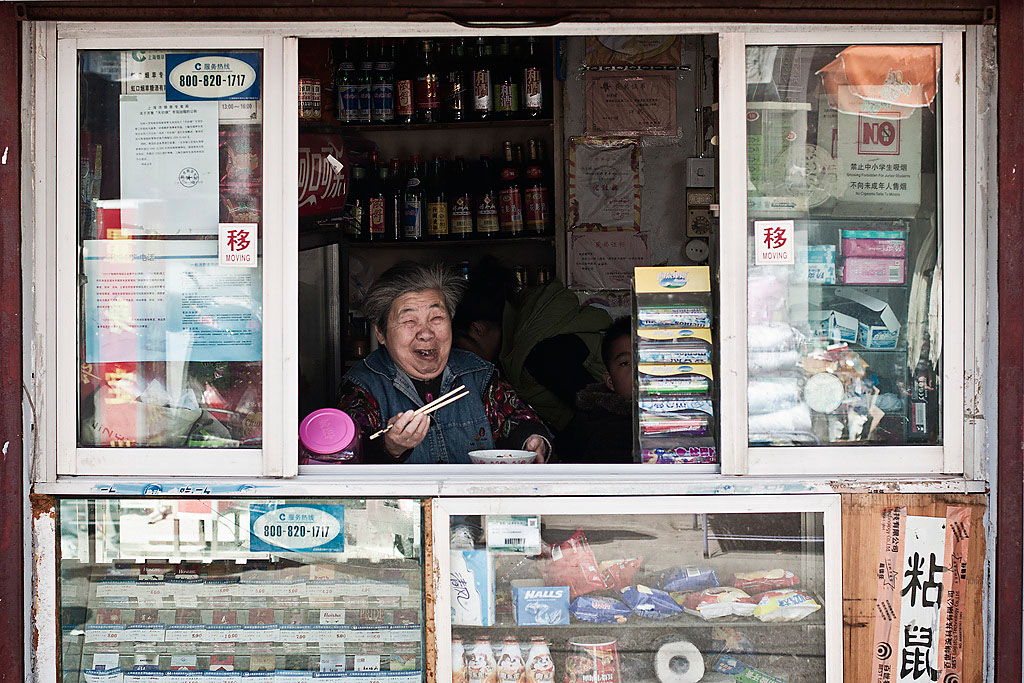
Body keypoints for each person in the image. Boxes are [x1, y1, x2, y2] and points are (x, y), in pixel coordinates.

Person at [338, 261, 553, 464]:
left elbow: (517, 419)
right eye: (409, 321)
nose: (425, 333)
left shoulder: (477, 374)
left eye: (436, 318)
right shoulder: (362, 386)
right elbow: (345, 456)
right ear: (380, 333)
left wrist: (532, 440)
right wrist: (390, 447)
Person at [453, 257, 611, 433]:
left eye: (460, 347)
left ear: (477, 329)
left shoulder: (541, 350)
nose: (462, 357)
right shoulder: (516, 342)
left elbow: (597, 414)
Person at [557, 316, 635, 464]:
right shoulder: (593, 421)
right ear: (610, 382)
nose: (638, 369)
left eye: (647, 359)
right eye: (625, 363)